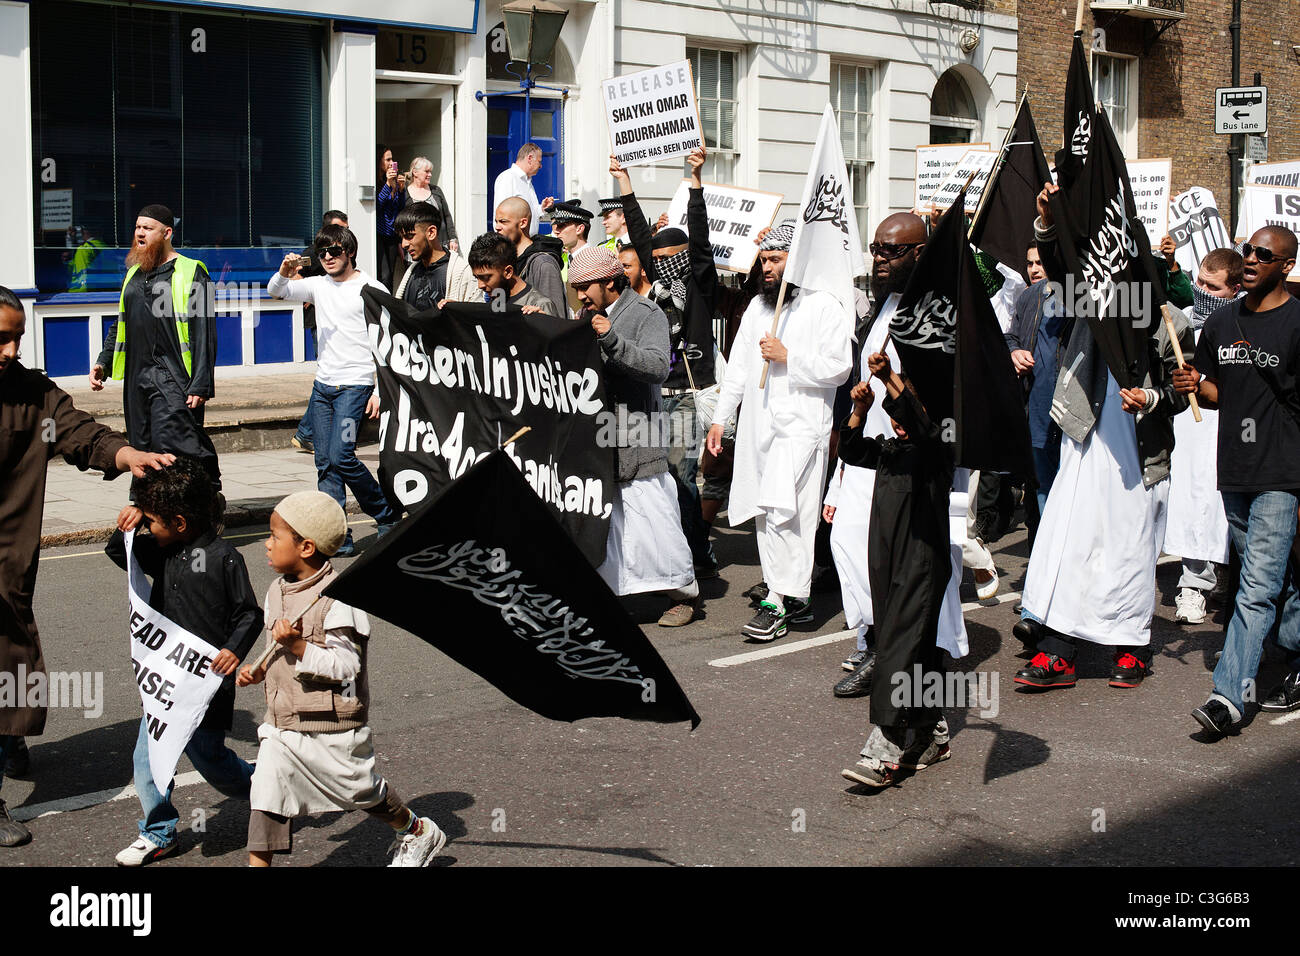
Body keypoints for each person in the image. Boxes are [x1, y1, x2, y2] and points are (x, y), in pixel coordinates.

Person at [0, 286, 174, 848]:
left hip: (9, 562)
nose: (11, 349)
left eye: (17, 336)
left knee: (13, 657)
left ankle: (9, 736)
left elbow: (79, 433)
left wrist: (127, 455)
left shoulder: (31, 392)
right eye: (1, 337)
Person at [1014, 182, 1194, 691]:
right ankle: (1059, 652)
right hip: (1084, 442)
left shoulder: (1170, 324)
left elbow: (1186, 395)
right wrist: (1048, 222)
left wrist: (1152, 399)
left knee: (1129, 551)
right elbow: (1060, 266)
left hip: (1139, 457)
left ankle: (1132, 646)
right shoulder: (1088, 309)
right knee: (1069, 544)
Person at [237, 491, 445, 866]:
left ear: (306, 547)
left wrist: (299, 646)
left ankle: (416, 830)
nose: (266, 544)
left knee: (361, 791)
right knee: (266, 794)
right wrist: (260, 668)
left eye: (274, 536)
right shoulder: (275, 591)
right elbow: (275, 647)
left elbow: (346, 667)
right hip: (283, 722)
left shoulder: (339, 600)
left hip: (332, 725)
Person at [105, 457, 262, 865]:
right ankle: (158, 831)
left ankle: (266, 789)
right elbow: (118, 553)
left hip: (205, 687)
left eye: (154, 520)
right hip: (164, 684)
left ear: (178, 522)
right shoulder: (161, 549)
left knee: (211, 760)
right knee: (149, 757)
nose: (149, 527)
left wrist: (233, 648)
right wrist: (134, 520)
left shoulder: (225, 558)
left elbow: (249, 613)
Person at [1174, 226, 1300, 733]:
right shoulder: (1223, 322)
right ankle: (1292, 648)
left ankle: (1228, 697)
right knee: (1270, 576)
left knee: (1254, 587)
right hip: (1235, 470)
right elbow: (1214, 394)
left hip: (1282, 472)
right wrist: (1193, 383)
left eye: (1263, 255)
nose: (1250, 259)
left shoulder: (1297, 321)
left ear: (1285, 266)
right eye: (1248, 250)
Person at [706, 222, 853, 641]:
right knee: (767, 514)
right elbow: (736, 369)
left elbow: (840, 367)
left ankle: (779, 598)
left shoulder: (825, 305)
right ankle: (796, 596)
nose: (767, 268)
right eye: (764, 260)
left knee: (790, 515)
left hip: (800, 431)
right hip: (759, 429)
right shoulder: (757, 308)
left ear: (797, 260)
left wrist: (791, 356)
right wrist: (721, 418)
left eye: (776, 259)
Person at [839, 354, 955, 788]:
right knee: (917, 648)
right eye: (893, 415)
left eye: (902, 410)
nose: (898, 421)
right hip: (888, 563)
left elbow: (924, 428)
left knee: (895, 648)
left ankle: (883, 747)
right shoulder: (890, 450)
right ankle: (931, 733)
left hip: (922, 562)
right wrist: (859, 411)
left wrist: (888, 377)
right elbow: (850, 449)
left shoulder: (938, 450)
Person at [570, 246, 700, 626]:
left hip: (638, 437)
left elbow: (658, 366)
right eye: (576, 288)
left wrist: (611, 338)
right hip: (599, 439)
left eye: (585, 287)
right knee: (608, 522)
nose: (580, 296)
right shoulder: (588, 313)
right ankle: (612, 593)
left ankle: (682, 593)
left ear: (609, 281)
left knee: (653, 520)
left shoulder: (647, 313)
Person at [611, 147, 721, 578]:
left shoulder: (699, 286)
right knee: (663, 477)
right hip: (658, 392)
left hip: (689, 396)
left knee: (680, 474)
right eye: (654, 262)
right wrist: (626, 186)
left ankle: (696, 553)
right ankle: (685, 547)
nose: (660, 267)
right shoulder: (656, 288)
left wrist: (695, 182)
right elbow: (640, 237)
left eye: (667, 259)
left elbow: (701, 243)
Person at [826, 213, 923, 696]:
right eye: (877, 250)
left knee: (887, 563)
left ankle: (891, 651)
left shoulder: (931, 312)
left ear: (919, 254)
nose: (880, 259)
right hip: (865, 455)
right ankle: (871, 638)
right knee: (847, 546)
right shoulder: (881, 309)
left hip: (908, 463)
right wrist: (838, 477)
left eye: (893, 251)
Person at [267, 224, 398, 556]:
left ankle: (385, 515)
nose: (327, 257)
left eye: (334, 251)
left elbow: (386, 342)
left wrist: (380, 391)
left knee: (342, 455)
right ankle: (338, 535)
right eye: (322, 252)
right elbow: (277, 292)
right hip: (323, 387)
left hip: (355, 386)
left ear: (349, 251)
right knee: (325, 462)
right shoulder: (317, 286)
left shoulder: (372, 287)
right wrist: (284, 272)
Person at [90, 204, 221, 489]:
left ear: (166, 233)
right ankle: (148, 511)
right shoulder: (133, 273)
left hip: (173, 378)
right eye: (137, 227)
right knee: (142, 448)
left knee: (176, 445)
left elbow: (204, 330)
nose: (139, 233)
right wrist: (103, 361)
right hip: (138, 379)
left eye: (147, 228)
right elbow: (121, 323)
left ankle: (200, 501)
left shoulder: (193, 271)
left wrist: (200, 383)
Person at [1165, 248, 1242, 625]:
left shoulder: (1244, 325)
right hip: (1189, 428)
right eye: (1199, 282)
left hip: (1227, 426)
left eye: (1212, 287)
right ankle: (1192, 584)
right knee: (1192, 500)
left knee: (1221, 508)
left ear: (1234, 289)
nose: (1202, 292)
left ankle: (1225, 576)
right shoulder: (1181, 322)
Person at [1006, 241, 1067, 541]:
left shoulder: (1078, 298)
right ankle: (1044, 559)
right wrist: (1014, 352)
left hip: (1070, 415)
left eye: (1040, 262)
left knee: (1068, 492)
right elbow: (1011, 337)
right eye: (1030, 263)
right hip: (1036, 414)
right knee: (1041, 492)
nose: (1034, 269)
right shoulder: (1028, 297)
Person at [292, 209, 350, 456]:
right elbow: (295, 276)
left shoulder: (341, 253)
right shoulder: (316, 253)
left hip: (336, 323)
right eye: (340, 228)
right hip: (320, 323)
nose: (344, 233)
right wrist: (315, 297)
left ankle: (309, 433)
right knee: (327, 380)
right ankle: (306, 433)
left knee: (330, 380)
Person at [393, 202, 477, 311]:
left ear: (431, 233)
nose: (404, 244)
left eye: (409, 236)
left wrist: (459, 311)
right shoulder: (411, 272)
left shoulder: (463, 273)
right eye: (402, 238)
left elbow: (477, 317)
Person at [494, 196, 568, 319]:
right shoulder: (503, 260)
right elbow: (498, 308)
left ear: (523, 223)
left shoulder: (543, 263)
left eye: (503, 221)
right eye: (496, 221)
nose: (497, 227)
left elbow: (555, 317)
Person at [463, 232, 558, 316]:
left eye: (486, 277)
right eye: (476, 278)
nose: (480, 285)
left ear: (508, 272)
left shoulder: (539, 306)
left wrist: (543, 323)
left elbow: (556, 334)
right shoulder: (497, 299)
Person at [492, 143, 554, 236]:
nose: (540, 166)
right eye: (539, 161)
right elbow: (501, 215)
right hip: (513, 244)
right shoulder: (508, 178)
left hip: (528, 243)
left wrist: (542, 208)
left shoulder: (527, 181)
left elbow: (527, 213)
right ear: (529, 158)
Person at [404, 156, 458, 252]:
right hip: (417, 247)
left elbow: (447, 216)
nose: (430, 175)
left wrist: (453, 239)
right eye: (427, 171)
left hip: (440, 244)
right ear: (415, 172)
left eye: (430, 172)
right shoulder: (405, 194)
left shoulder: (436, 190)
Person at [552, 199, 594, 314]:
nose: (556, 231)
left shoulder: (592, 259)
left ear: (579, 229)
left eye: (562, 226)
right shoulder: (568, 258)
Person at [376, 146, 406, 290]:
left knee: (391, 275)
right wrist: (388, 184)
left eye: (392, 159)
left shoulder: (392, 182)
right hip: (379, 234)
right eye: (388, 159)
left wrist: (400, 190)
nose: (391, 162)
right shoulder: (377, 182)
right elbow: (377, 206)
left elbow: (399, 208)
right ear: (379, 161)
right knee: (384, 274)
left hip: (392, 235)